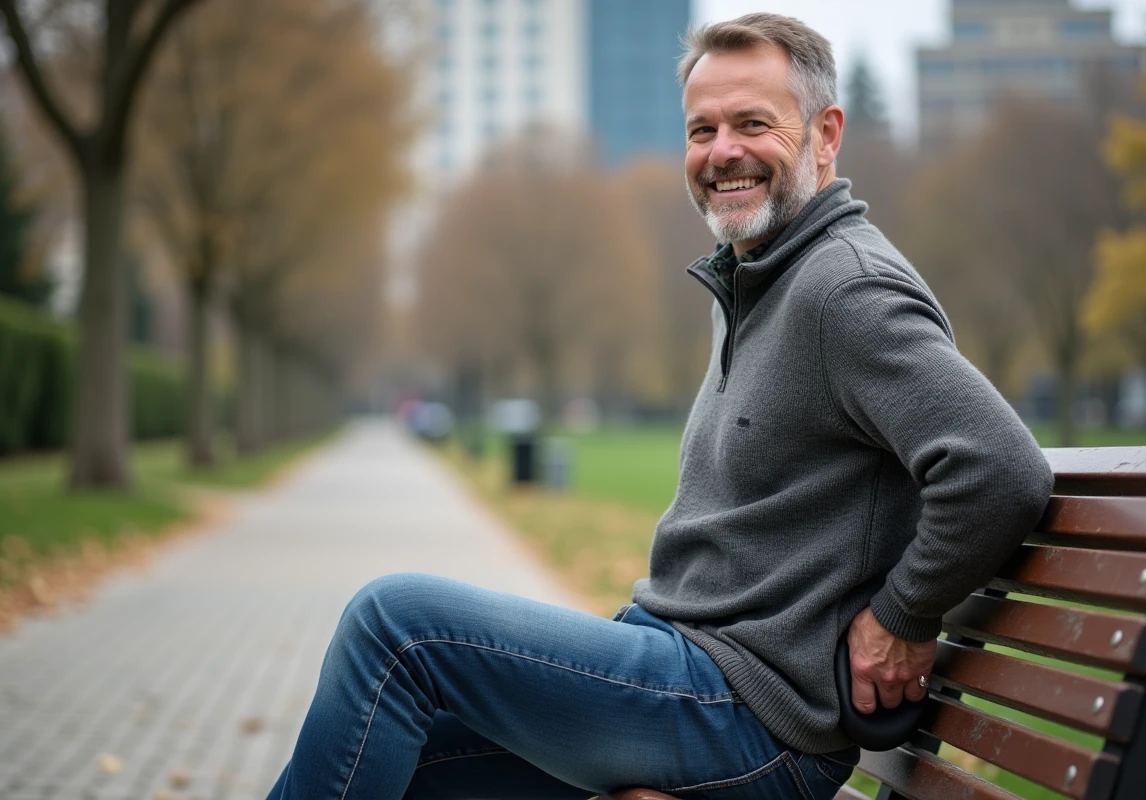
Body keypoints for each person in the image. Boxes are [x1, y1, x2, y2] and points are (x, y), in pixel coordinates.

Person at [265, 13, 1053, 800]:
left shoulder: (843, 290)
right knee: (394, 745)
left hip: (750, 720)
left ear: (825, 133)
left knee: (396, 627)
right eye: (701, 129)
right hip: (683, 677)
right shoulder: (759, 280)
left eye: (752, 123)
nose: (722, 153)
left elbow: (1001, 469)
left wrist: (901, 617)